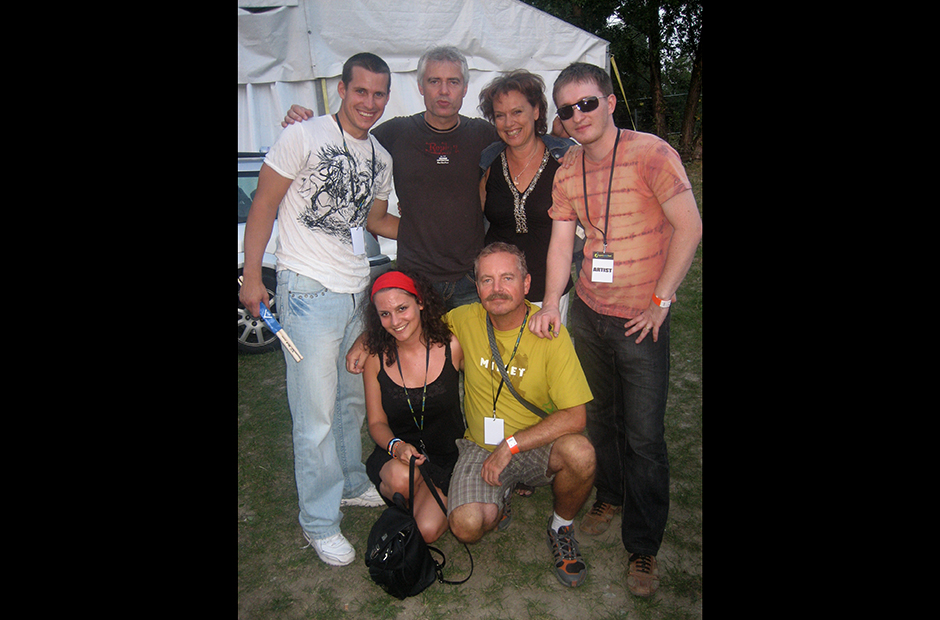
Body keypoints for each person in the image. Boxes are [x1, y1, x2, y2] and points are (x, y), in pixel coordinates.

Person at [528, 63, 703, 597]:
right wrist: (552, 302)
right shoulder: (568, 168)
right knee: (600, 419)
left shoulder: (652, 153)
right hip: (589, 312)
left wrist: (661, 301)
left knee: (644, 437)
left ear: (608, 101)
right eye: (567, 109)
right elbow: (561, 243)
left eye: (587, 103)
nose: (577, 115)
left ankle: (643, 547)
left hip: (640, 320)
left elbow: (690, 225)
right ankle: (610, 494)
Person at [238, 52, 400, 567]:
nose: (369, 102)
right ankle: (318, 522)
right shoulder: (303, 135)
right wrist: (251, 275)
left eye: (379, 93)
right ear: (341, 89)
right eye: (361, 90)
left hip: (357, 292)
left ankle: (351, 483)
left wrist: (433, 229)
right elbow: (264, 204)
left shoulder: (380, 156)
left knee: (350, 402)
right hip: (307, 292)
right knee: (315, 418)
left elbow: (376, 220)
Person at [284, 46, 499, 309]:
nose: (444, 91)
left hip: (471, 278)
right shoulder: (396, 133)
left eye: (453, 82)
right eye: (434, 81)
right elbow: (345, 138)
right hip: (415, 277)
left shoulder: (484, 135)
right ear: (420, 86)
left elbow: (525, 144)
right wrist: (306, 121)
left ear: (465, 88)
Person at [444, 242, 595, 588]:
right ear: (476, 286)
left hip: (533, 443)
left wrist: (511, 445)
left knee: (581, 454)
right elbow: (410, 327)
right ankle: (504, 493)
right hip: (481, 446)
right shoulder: (464, 318)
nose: (496, 289)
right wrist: (366, 340)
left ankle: (561, 527)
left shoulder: (549, 332)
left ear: (526, 284)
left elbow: (576, 417)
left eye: (507, 278)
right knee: (466, 526)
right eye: (486, 280)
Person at [362, 269, 465, 543]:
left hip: (446, 457)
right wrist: (396, 446)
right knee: (400, 478)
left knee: (427, 531)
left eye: (402, 308)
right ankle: (413, 497)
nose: (395, 321)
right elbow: (376, 422)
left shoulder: (451, 346)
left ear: (420, 302)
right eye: (385, 314)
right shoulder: (376, 358)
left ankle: (421, 504)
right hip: (398, 454)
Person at [477, 70, 575, 326]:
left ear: (536, 111)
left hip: (548, 292)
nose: (509, 123)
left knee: (547, 352)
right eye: (500, 115)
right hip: (499, 293)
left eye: (517, 111)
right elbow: (475, 214)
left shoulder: (563, 161)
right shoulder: (488, 163)